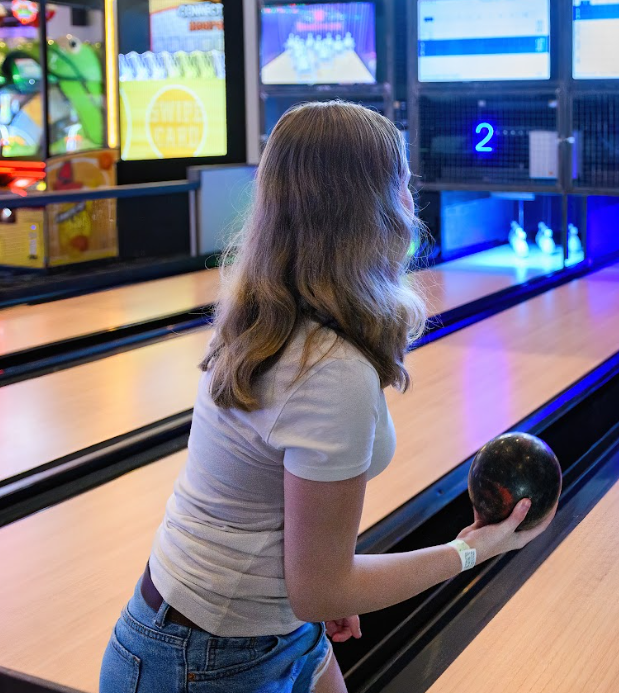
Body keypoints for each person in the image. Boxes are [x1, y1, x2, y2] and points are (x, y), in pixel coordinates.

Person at [99, 101, 555, 693]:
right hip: (203, 660)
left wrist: (329, 581)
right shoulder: (328, 369)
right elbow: (320, 587)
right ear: (375, 210)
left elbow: (304, 558)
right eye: (404, 185)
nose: (412, 203)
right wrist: (472, 551)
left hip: (251, 627)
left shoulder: (265, 308)